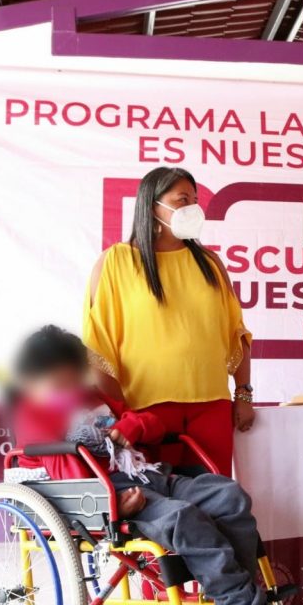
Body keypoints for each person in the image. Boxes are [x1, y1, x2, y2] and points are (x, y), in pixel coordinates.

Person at [9, 325, 303, 605]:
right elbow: (65, 471)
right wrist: (112, 505)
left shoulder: (94, 399)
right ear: (31, 384)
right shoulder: (34, 418)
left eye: (73, 381)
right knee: (182, 517)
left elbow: (150, 423)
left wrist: (131, 426)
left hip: (148, 474)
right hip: (106, 495)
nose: (68, 391)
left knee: (229, 495)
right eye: (57, 385)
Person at [83, 167, 253, 477]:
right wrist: (122, 415)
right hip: (145, 411)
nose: (193, 208)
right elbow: (99, 347)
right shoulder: (115, 261)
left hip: (212, 406)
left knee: (218, 495)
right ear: (152, 206)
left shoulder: (210, 263)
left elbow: (236, 332)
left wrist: (243, 394)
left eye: (195, 200)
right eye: (182, 200)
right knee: (156, 497)